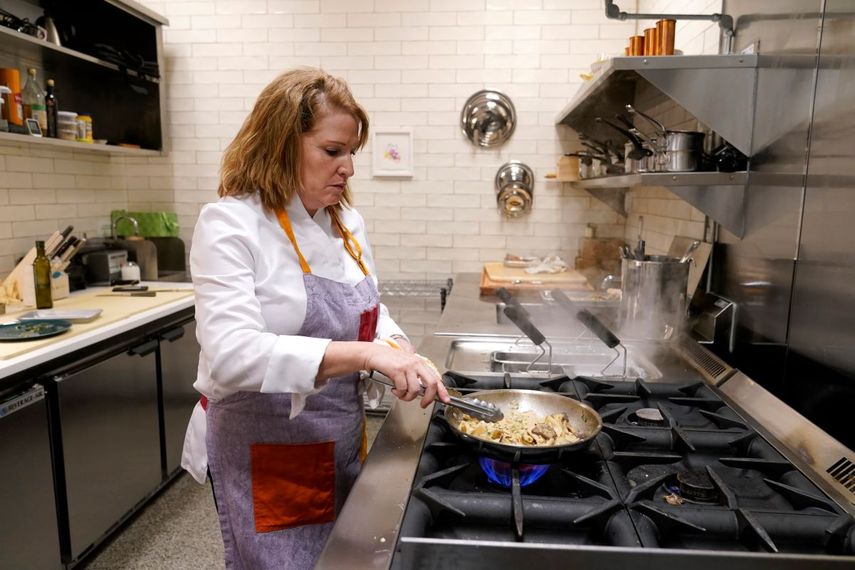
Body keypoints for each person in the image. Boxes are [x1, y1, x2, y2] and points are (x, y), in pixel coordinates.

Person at [180, 67, 450, 569]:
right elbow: (233, 355)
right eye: (332, 151)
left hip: (338, 437)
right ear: (282, 144)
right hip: (268, 450)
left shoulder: (345, 223)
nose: (347, 167)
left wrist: (399, 351)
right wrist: (367, 355)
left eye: (352, 152)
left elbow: (371, 311)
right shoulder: (232, 223)